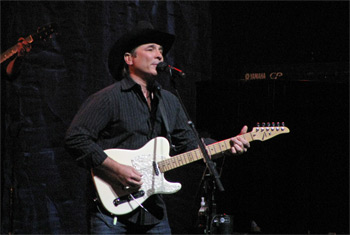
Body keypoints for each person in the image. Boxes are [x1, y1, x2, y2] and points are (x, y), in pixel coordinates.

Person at [64, 21, 250, 234]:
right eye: (151, 49)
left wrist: (226, 146)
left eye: (161, 51)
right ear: (129, 58)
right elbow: (76, 138)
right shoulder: (108, 98)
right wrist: (117, 169)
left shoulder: (169, 101)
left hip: (153, 212)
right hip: (111, 213)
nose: (160, 56)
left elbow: (190, 144)